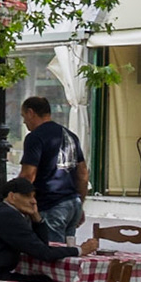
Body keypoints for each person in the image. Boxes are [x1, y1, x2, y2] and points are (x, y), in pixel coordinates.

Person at [0, 177, 77, 280]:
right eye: (27, 196)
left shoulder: (4, 212)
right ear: (12, 197)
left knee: (44, 279)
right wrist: (79, 250)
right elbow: (44, 253)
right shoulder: (8, 216)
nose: (33, 201)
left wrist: (36, 218)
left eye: (34, 197)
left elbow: (41, 246)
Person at [17, 96, 89, 241]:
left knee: (52, 255)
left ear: (31, 112)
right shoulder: (70, 136)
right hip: (72, 204)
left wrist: (16, 200)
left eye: (24, 116)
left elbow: (28, 175)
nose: (24, 121)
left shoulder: (35, 137)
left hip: (50, 205)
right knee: (68, 254)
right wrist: (80, 203)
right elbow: (82, 174)